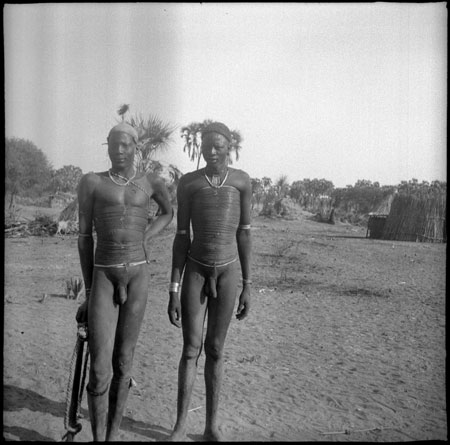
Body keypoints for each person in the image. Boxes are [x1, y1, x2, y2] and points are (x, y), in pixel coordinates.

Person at [75, 122, 173, 441]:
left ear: (136, 148)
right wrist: (89, 292)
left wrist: (147, 236)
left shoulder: (152, 182)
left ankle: (113, 435)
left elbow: (167, 213)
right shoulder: (92, 183)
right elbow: (83, 237)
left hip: (139, 277)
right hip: (104, 273)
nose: (119, 151)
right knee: (100, 369)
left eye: (125, 145)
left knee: (123, 361)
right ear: (107, 147)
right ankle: (97, 438)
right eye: (113, 145)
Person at [167, 122, 252, 441]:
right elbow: (181, 236)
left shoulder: (242, 182)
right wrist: (174, 289)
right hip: (196, 270)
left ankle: (211, 427)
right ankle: (179, 426)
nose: (211, 151)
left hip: (229, 272)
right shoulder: (189, 183)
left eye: (218, 146)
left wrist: (248, 284)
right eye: (206, 146)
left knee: (216, 348)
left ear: (229, 147)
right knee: (191, 348)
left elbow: (244, 233)